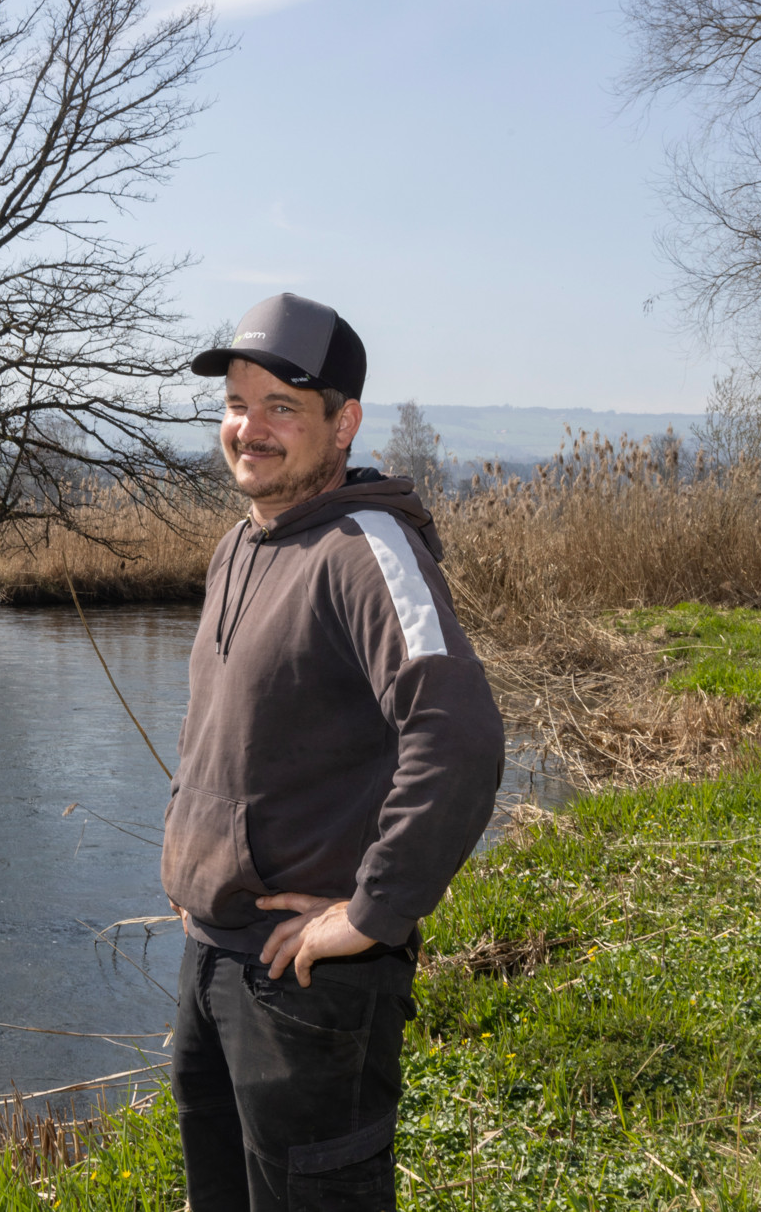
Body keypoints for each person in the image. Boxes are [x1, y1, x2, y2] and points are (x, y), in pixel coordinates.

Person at [164, 292, 505, 1211]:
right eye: (237, 403)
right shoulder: (239, 546)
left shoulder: (367, 549)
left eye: (282, 406)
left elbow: (459, 733)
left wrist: (371, 911)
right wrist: (193, 856)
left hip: (307, 981)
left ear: (343, 423)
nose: (250, 428)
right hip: (211, 957)